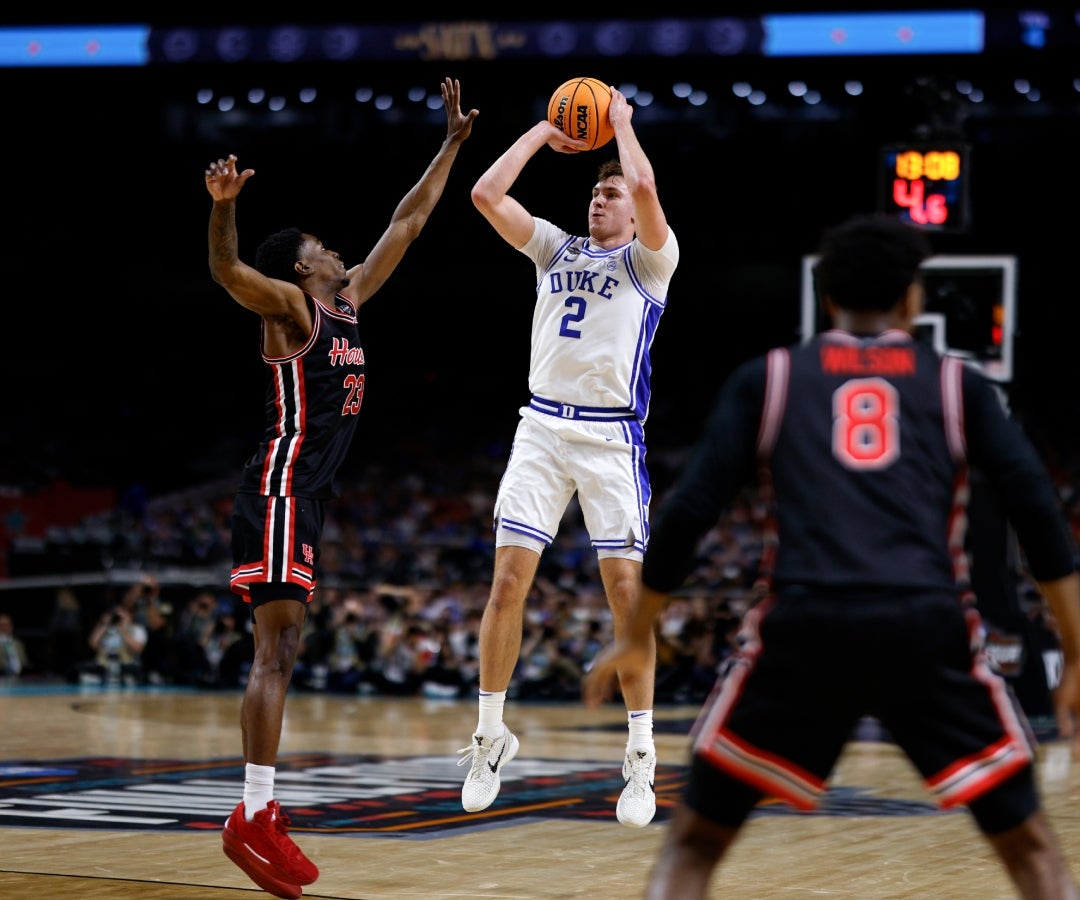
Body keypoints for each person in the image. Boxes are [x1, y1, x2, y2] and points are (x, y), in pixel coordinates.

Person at [583, 212, 1080, 899]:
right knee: (1032, 850)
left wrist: (637, 634)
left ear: (825, 296)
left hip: (804, 625)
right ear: (913, 298)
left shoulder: (773, 377)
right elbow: (1038, 512)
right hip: (926, 625)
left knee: (692, 847)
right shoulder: (956, 384)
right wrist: (1076, 652)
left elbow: (689, 511)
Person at [204, 77, 477, 900]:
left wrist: (450, 144)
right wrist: (224, 207)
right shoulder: (291, 307)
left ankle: (258, 809)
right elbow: (225, 269)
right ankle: (253, 813)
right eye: (323, 246)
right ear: (301, 265)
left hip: (307, 500)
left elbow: (410, 220)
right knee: (275, 651)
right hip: (279, 489)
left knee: (285, 649)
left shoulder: (348, 303)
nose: (336, 251)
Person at [458, 85, 679, 828]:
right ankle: (490, 736)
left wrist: (621, 125)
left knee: (625, 596)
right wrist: (540, 133)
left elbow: (643, 180)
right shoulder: (555, 247)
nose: (600, 200)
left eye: (609, 194)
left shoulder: (652, 261)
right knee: (507, 582)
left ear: (632, 211)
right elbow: (486, 195)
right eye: (594, 193)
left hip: (612, 437)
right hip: (544, 428)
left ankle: (641, 755)